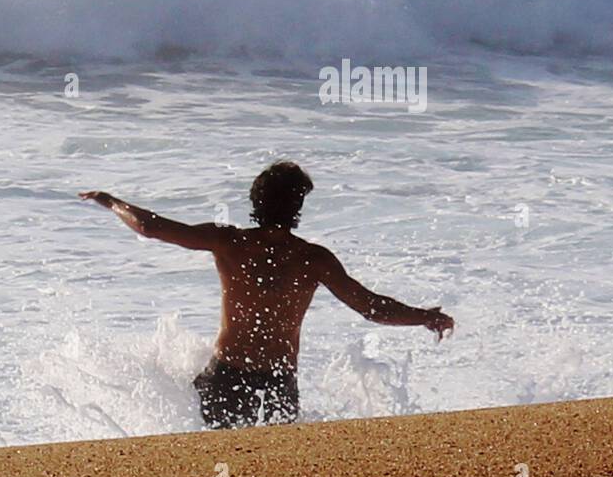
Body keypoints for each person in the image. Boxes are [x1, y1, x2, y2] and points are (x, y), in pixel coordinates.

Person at [79, 161, 453, 428]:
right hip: (278, 384)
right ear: (298, 208)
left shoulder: (229, 242)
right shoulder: (312, 259)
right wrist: (425, 316)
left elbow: (149, 227)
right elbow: (371, 308)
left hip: (226, 378)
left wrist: (111, 201)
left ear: (256, 203)